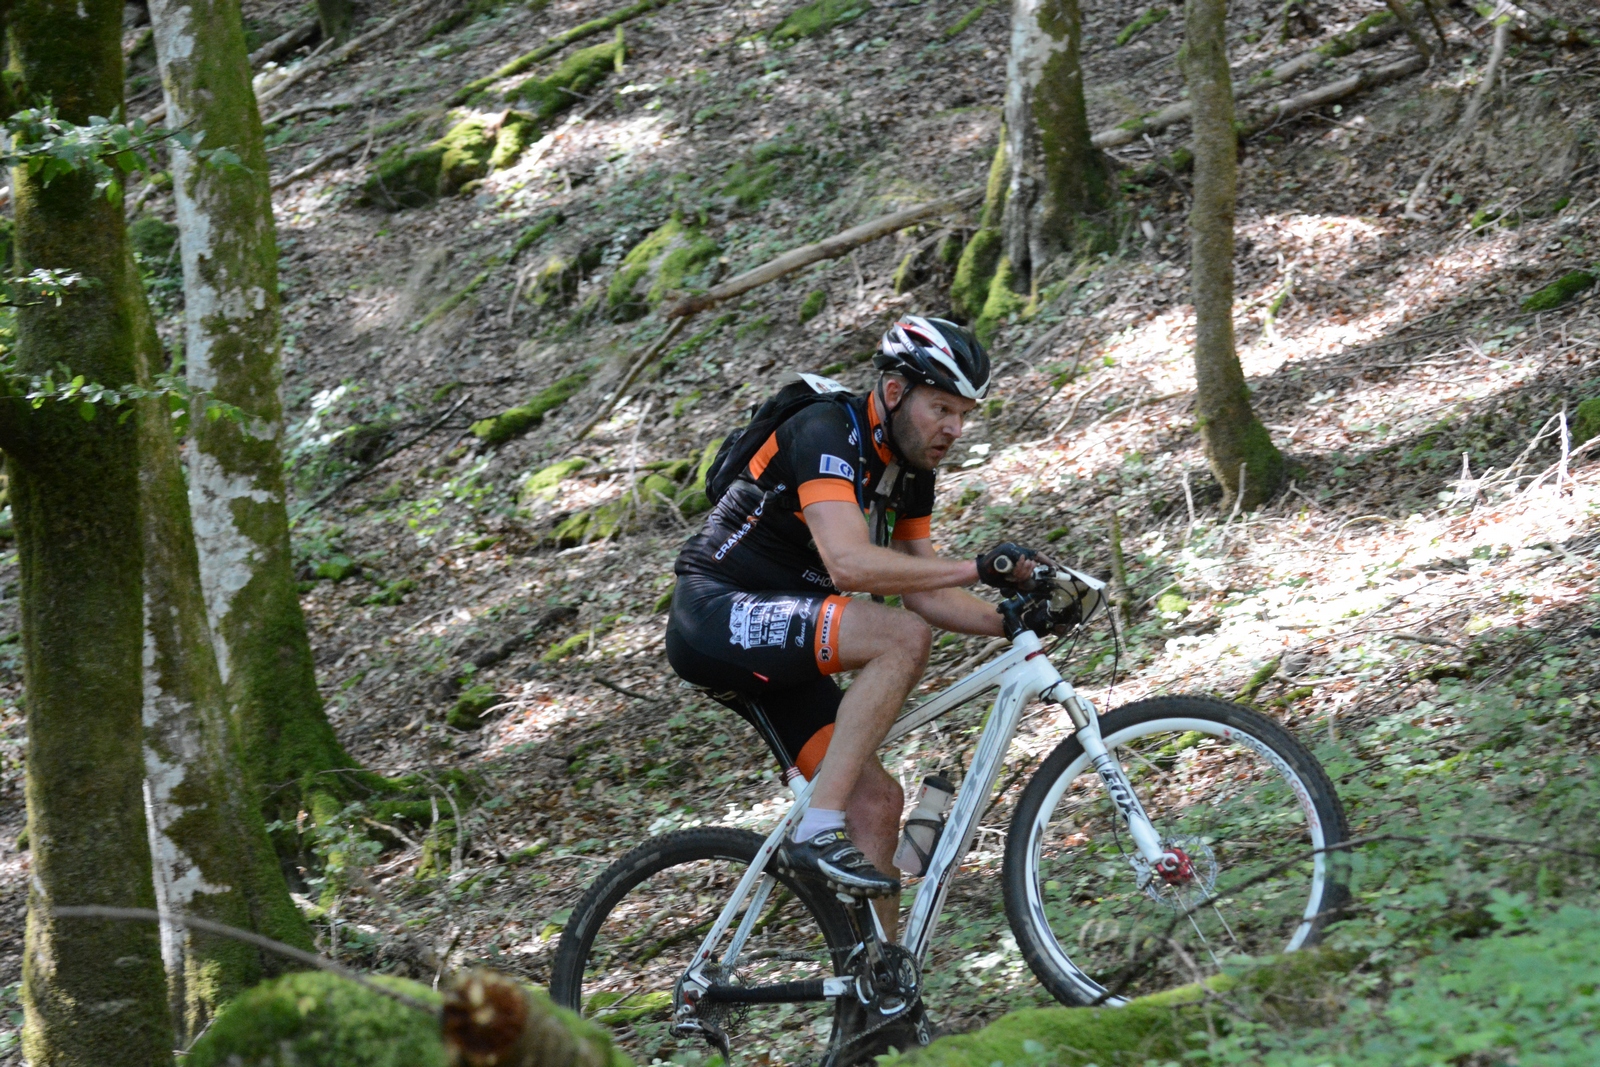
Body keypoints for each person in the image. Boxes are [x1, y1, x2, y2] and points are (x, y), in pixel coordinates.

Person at [665, 315, 1040, 938]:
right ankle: (817, 830)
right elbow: (849, 563)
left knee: (879, 804)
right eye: (942, 408)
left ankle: (879, 978)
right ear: (894, 392)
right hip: (715, 611)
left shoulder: (911, 471)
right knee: (899, 638)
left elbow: (926, 593)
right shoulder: (825, 430)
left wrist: (1011, 620)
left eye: (964, 414)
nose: (954, 428)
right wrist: (977, 567)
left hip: (784, 641)